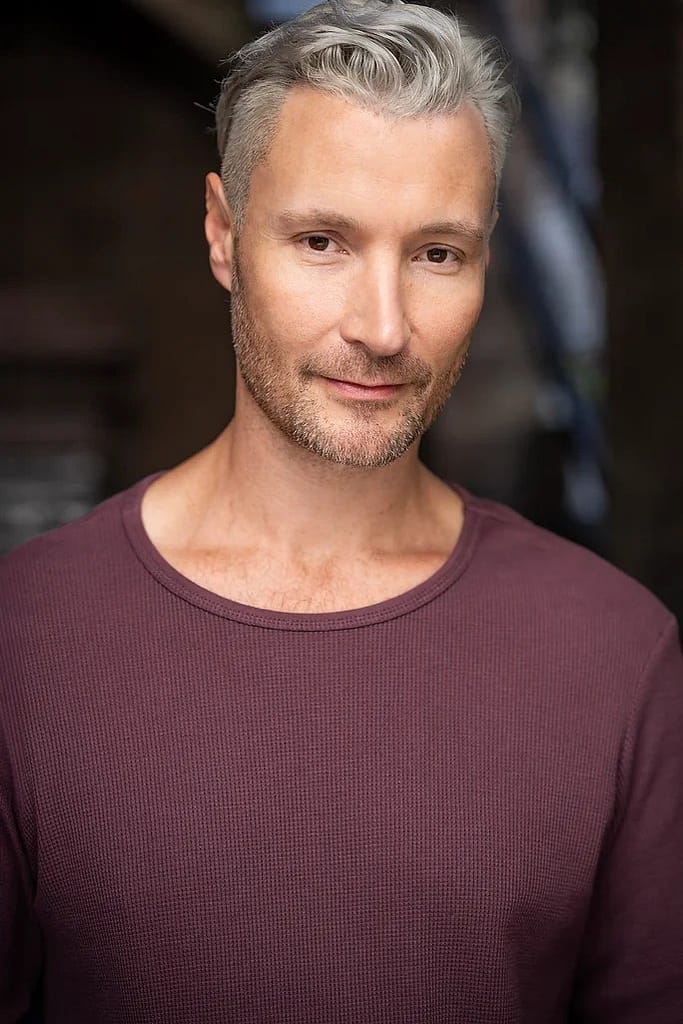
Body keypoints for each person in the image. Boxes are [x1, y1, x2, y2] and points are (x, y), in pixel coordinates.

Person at [2, 0, 682, 1020]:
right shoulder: (25, 636)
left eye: (436, 253)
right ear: (223, 235)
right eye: (322, 240)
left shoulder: (616, 651)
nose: (382, 328)